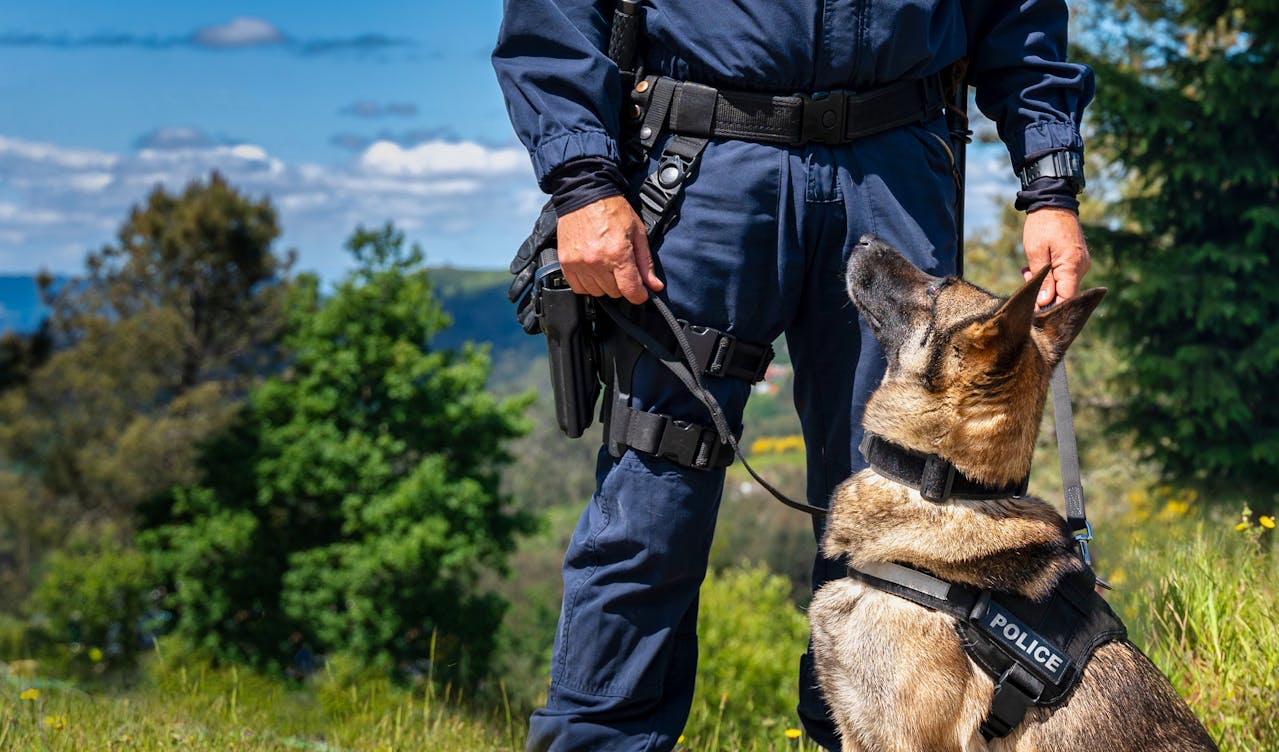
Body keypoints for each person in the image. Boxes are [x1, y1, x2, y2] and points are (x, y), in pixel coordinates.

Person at [493, 1, 1094, 750]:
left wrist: (1049, 182)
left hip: (896, 165)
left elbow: (1019, 11)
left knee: (906, 522)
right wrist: (583, 182)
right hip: (703, 166)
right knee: (652, 507)